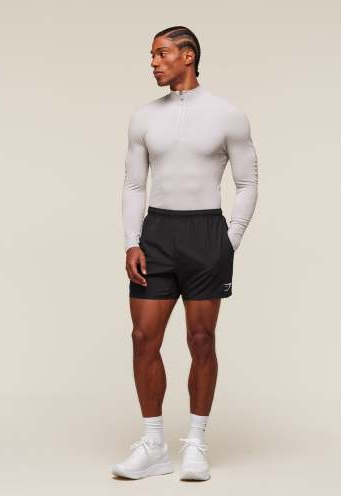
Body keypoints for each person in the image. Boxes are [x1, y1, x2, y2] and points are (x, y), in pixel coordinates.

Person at [112, 25, 258, 481]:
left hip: (205, 232)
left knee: (201, 339)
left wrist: (229, 240)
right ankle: (153, 445)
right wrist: (132, 240)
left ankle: (196, 442)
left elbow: (247, 182)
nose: (153, 63)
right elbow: (134, 185)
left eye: (162, 54)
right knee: (143, 338)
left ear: (188, 55)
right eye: (152, 55)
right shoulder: (143, 118)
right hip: (157, 232)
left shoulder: (227, 115)